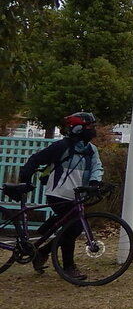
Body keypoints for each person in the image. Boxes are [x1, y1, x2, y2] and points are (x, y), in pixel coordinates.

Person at [18, 112, 104, 280]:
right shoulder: (61, 146)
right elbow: (36, 159)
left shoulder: (91, 149)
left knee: (72, 229)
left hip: (77, 196)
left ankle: (42, 252)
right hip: (58, 193)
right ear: (78, 129)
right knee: (74, 228)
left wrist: (95, 182)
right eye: (89, 127)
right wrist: (25, 180)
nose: (92, 130)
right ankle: (68, 267)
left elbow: (97, 167)